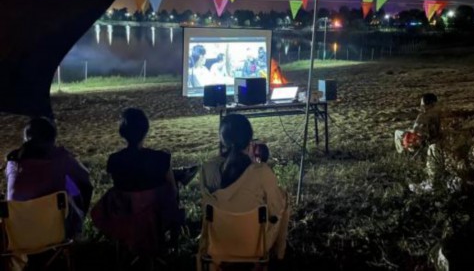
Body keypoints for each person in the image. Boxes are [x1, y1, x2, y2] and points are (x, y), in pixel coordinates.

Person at [199, 114, 289, 263]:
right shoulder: (261, 172)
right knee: (284, 199)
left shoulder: (207, 169)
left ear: (223, 139)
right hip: (255, 246)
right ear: (249, 139)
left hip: (217, 244)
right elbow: (276, 208)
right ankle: (280, 255)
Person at [4, 117, 92, 271]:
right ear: (52, 138)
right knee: (72, 186)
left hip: (17, 235)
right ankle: (77, 231)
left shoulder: (12, 162)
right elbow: (85, 178)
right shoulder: (61, 158)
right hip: (54, 233)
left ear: (25, 138)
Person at [92, 108, 182, 254]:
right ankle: (171, 247)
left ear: (123, 132)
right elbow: (172, 191)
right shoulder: (161, 158)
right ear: (145, 130)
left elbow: (119, 192)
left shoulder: (115, 160)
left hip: (125, 219)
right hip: (158, 220)